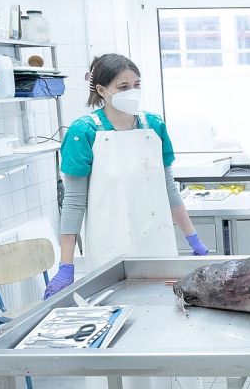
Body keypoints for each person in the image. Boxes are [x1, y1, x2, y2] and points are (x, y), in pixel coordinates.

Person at [43, 54, 209, 299]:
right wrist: (66, 266)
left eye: (136, 85)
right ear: (101, 89)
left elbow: (169, 189)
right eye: (123, 87)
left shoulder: (154, 126)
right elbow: (74, 204)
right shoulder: (83, 132)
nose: (132, 92)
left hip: (157, 243)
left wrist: (194, 240)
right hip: (109, 249)